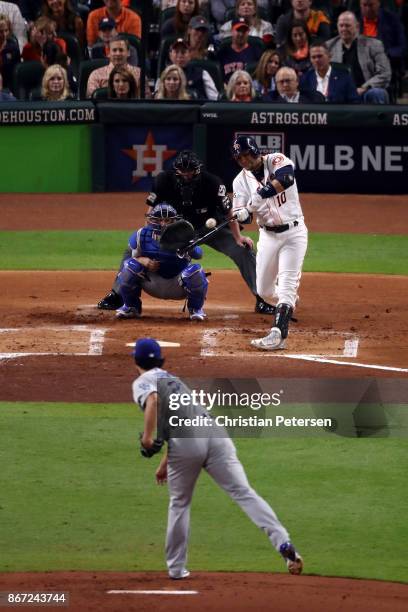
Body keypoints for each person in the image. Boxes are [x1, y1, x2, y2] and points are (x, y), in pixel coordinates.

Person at [133, 336, 304, 579]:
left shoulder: (142, 381)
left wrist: (147, 439)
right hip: (214, 434)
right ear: (161, 358)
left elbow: (153, 400)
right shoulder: (173, 379)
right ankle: (283, 543)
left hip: (187, 444)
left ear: (136, 361)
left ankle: (176, 568)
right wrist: (164, 463)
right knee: (244, 493)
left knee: (180, 504)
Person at [97, 150, 275, 315]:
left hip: (211, 229)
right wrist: (148, 236)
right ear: (176, 170)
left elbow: (228, 212)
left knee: (243, 250)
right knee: (132, 250)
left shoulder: (213, 183)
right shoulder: (163, 180)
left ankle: (262, 299)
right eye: (183, 171)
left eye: (190, 171)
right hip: (176, 232)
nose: (187, 174)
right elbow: (151, 211)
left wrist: (238, 237)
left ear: (198, 170)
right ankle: (117, 294)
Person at [231, 136, 308, 350]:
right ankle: (288, 301)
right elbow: (241, 214)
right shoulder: (239, 181)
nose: (244, 160)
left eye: (247, 154)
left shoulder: (276, 160)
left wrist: (260, 195)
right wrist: (243, 214)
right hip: (267, 237)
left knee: (286, 283)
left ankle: (278, 335)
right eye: (240, 158)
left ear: (255, 150)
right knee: (263, 291)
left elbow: (286, 179)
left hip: (294, 233)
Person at [116, 204, 208, 321]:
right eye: (159, 220)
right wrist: (144, 260)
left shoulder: (184, 236)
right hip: (152, 283)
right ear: (152, 220)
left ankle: (195, 309)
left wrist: (188, 245)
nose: (163, 223)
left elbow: (199, 255)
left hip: (178, 284)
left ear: (175, 221)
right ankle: (131, 307)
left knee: (196, 271)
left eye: (168, 220)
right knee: (129, 266)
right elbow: (133, 257)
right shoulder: (141, 235)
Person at [326, 11, 391, 103]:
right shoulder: (329, 46)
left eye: (347, 25)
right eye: (341, 25)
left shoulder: (374, 45)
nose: (344, 28)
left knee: (377, 93)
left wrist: (364, 88)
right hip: (340, 94)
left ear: (357, 26)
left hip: (366, 91)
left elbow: (385, 73)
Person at [216, 16, 263, 83]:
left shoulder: (257, 52)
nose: (241, 34)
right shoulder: (222, 53)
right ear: (232, 31)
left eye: (244, 31)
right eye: (238, 30)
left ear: (248, 32)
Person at [0, 13, 20, 91]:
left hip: (8, 88)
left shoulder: (13, 48)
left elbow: (15, 73)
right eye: (0, 31)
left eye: (6, 30)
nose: (4, 34)